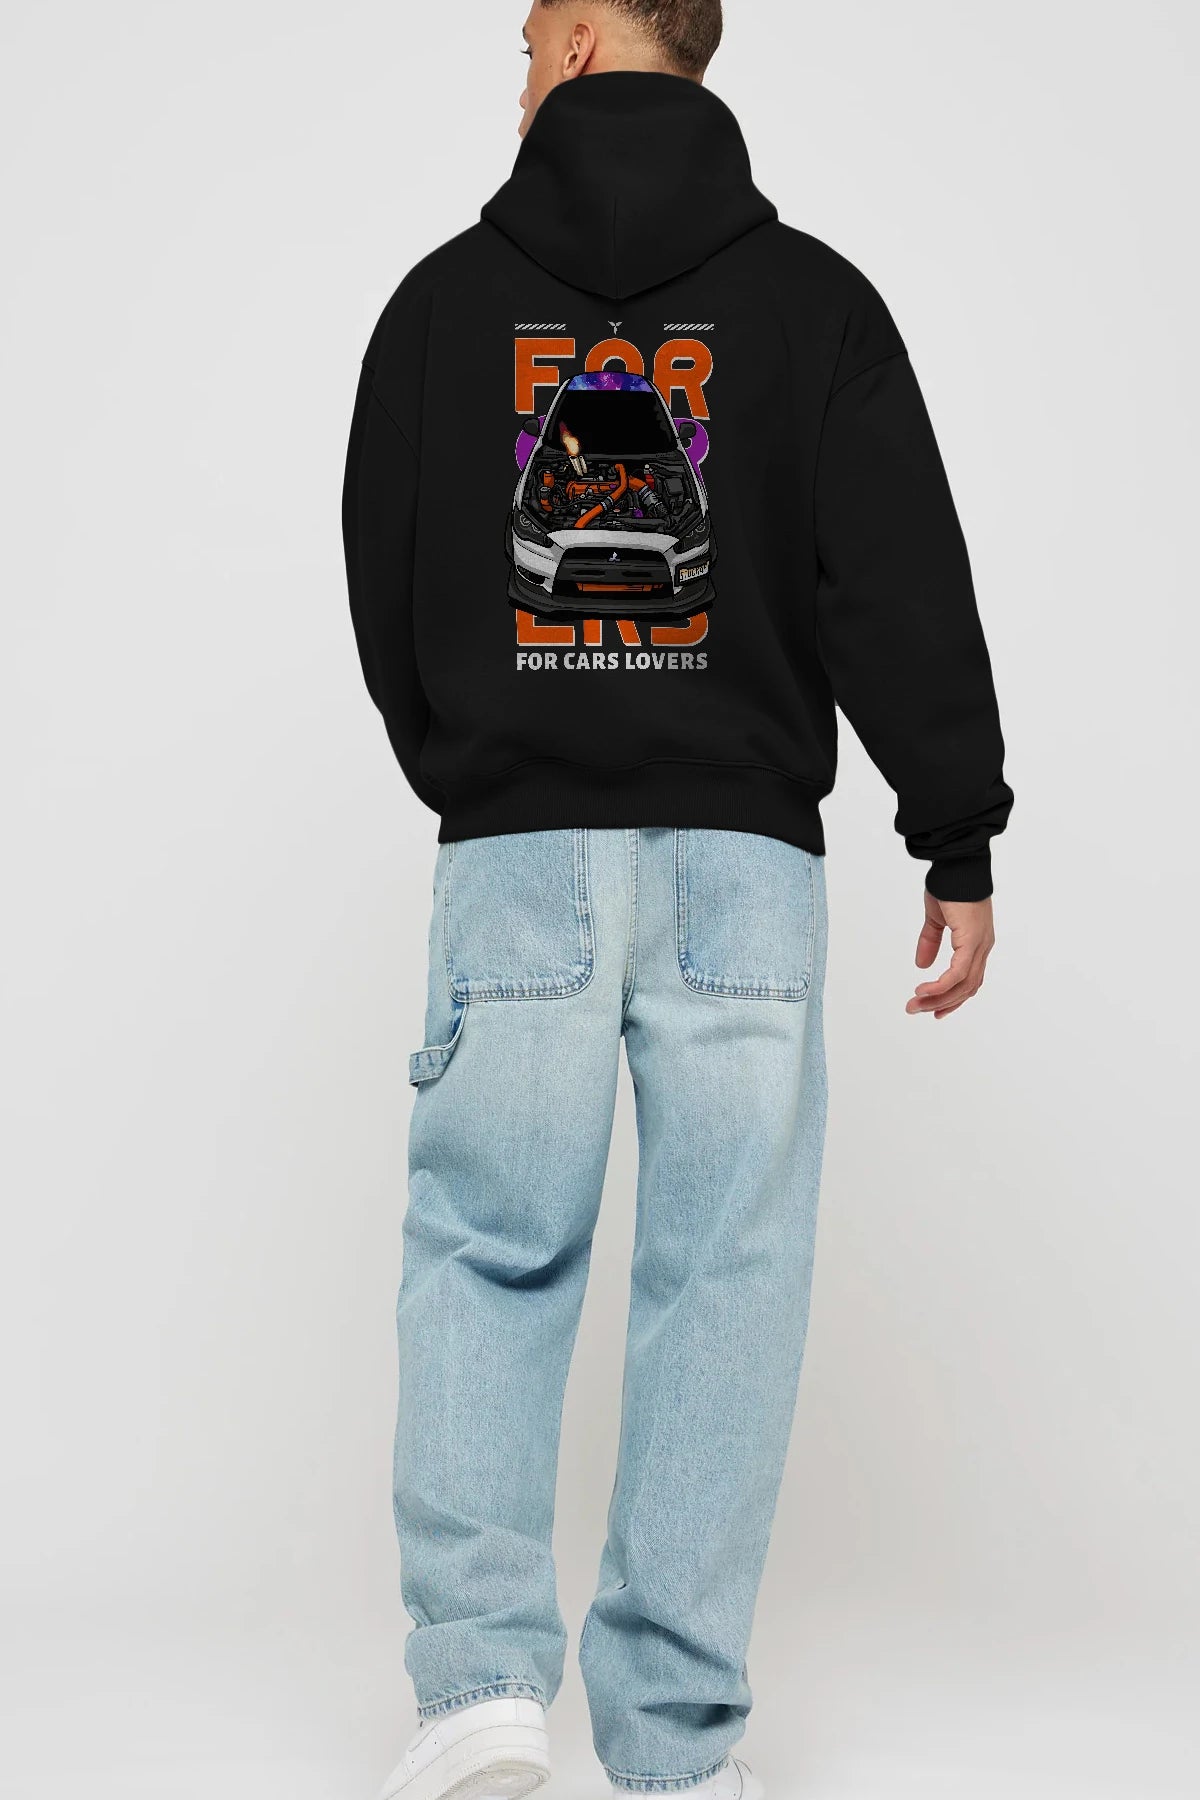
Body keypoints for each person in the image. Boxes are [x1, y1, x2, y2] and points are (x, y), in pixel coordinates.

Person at [341, 4, 1013, 1799]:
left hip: (518, 852)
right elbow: (898, 578)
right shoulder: (816, 307)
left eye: (524, 40)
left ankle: (481, 1694)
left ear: (577, 43)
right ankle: (677, 1749)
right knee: (729, 1277)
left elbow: (385, 571)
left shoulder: (442, 307)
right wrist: (955, 831)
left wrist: (485, 767)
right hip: (747, 872)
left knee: (488, 1250)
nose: (517, 71)